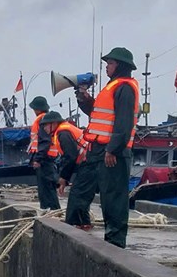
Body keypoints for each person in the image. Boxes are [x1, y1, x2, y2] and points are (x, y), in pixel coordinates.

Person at [64, 47, 140, 247]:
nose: (107, 67)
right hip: (97, 150)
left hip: (111, 152)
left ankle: (115, 243)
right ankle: (78, 224)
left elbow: (124, 123)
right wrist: (83, 98)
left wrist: (112, 149)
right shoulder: (111, 87)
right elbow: (96, 113)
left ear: (121, 66)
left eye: (111, 63)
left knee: (113, 198)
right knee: (84, 189)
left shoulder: (125, 87)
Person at [48, 114, 90, 226]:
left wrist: (63, 178)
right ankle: (84, 223)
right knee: (79, 194)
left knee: (77, 195)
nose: (44, 129)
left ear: (54, 124)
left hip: (89, 163)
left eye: (45, 126)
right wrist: (65, 179)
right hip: (87, 163)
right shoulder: (63, 132)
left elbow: (70, 156)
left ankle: (75, 224)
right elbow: (69, 158)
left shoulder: (63, 134)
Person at [27, 97, 59, 209]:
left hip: (44, 158)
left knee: (46, 188)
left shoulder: (42, 120)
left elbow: (45, 141)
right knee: (48, 187)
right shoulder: (46, 119)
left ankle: (51, 210)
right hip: (47, 157)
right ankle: (50, 210)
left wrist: (38, 159)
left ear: (37, 109)